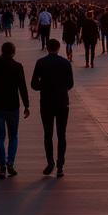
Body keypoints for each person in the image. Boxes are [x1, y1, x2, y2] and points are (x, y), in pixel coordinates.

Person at [0, 40, 30, 178]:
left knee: (0, 137)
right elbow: (22, 87)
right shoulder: (17, 66)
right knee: (13, 135)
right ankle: (10, 162)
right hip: (12, 105)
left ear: (2, 51)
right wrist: (26, 105)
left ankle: (2, 166)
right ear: (13, 52)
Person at [31, 39, 75, 176]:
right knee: (61, 134)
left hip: (46, 102)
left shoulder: (41, 63)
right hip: (62, 102)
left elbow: (34, 84)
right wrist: (61, 89)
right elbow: (70, 83)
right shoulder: (65, 63)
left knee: (48, 134)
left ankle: (50, 162)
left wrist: (43, 87)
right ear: (58, 47)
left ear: (47, 47)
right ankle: (60, 165)